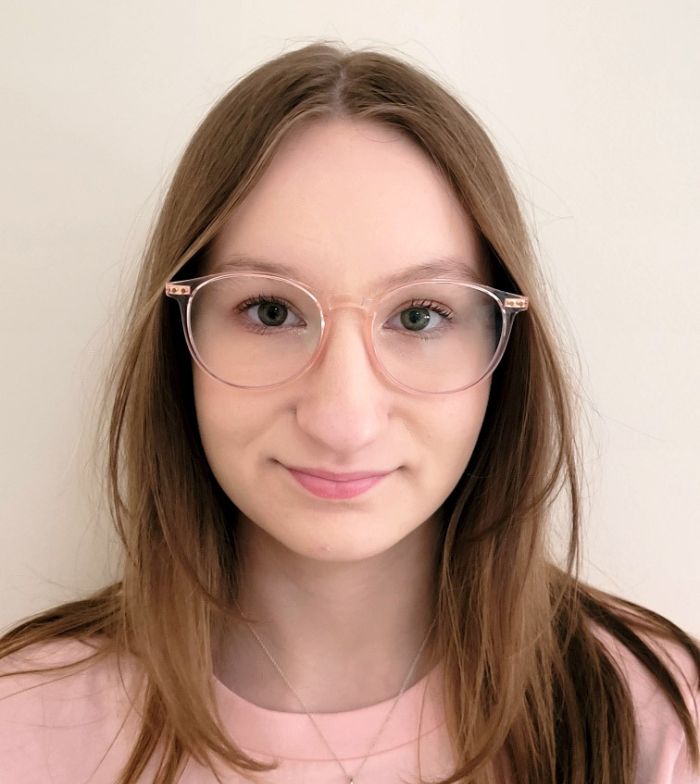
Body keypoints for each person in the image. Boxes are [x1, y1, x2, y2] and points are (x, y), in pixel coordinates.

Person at [0, 41, 698, 784]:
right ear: (179, 340)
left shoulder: (648, 718)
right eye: (269, 311)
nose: (343, 419)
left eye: (421, 317)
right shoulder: (25, 724)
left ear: (506, 353)